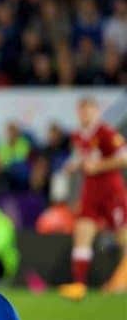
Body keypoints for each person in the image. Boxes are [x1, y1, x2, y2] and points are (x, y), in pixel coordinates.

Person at [58, 96, 127, 301]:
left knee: (122, 236)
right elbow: (85, 157)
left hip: (111, 192)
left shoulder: (106, 132)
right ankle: (79, 285)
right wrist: (76, 165)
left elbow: (124, 158)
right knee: (82, 232)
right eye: (82, 110)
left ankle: (120, 282)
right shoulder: (78, 135)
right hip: (90, 192)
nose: (85, 114)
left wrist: (99, 167)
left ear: (97, 112)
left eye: (89, 110)